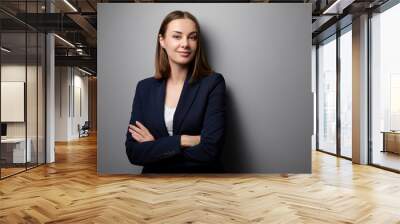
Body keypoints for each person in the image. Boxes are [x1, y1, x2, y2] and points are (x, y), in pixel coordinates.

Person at [125, 10, 226, 173]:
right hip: (155, 189)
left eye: (192, 37)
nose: (185, 44)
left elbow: (211, 150)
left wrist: (155, 146)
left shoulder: (213, 83)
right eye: (177, 36)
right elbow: (134, 152)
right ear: (162, 40)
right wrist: (184, 140)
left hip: (202, 186)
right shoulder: (144, 88)